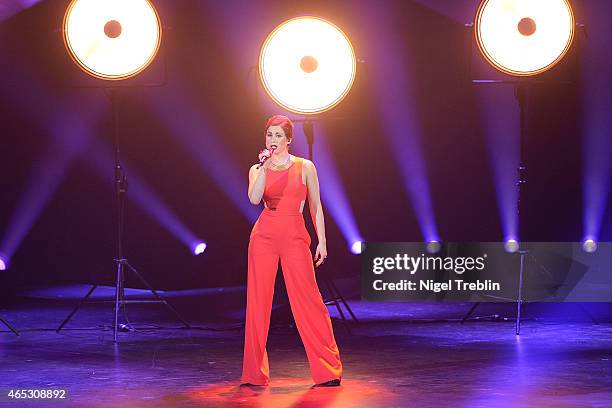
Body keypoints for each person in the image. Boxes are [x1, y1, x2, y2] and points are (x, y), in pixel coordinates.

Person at [241, 115, 343, 387]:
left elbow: (316, 206)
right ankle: (253, 373)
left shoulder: (305, 166)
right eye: (269, 135)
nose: (272, 140)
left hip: (295, 233)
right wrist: (263, 167)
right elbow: (253, 199)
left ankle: (328, 370)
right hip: (264, 233)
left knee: (309, 298)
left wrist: (322, 240)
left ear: (288, 139)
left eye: (277, 136)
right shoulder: (256, 168)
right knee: (258, 302)